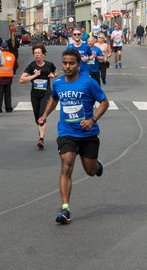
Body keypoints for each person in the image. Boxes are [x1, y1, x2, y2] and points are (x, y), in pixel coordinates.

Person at [38, 49, 109, 224]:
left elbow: (104, 102)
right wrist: (45, 114)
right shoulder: (59, 83)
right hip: (66, 132)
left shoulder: (89, 82)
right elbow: (54, 99)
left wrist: (92, 119)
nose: (67, 66)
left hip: (88, 134)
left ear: (78, 64)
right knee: (66, 167)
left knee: (90, 171)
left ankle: (96, 165)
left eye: (71, 63)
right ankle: (65, 209)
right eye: (65, 63)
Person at [20, 44, 58, 149]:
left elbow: (56, 72)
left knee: (42, 116)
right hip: (35, 94)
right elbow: (22, 80)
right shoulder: (32, 66)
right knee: (37, 118)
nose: (37, 55)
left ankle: (41, 139)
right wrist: (34, 76)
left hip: (46, 93)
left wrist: (53, 75)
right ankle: (41, 131)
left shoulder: (49, 65)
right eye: (35, 53)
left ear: (43, 54)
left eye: (39, 53)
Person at [0, 42, 16, 113]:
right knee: (8, 93)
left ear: (1, 48)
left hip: (0, 76)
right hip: (9, 76)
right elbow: (15, 65)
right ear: (7, 47)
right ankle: (8, 107)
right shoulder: (12, 55)